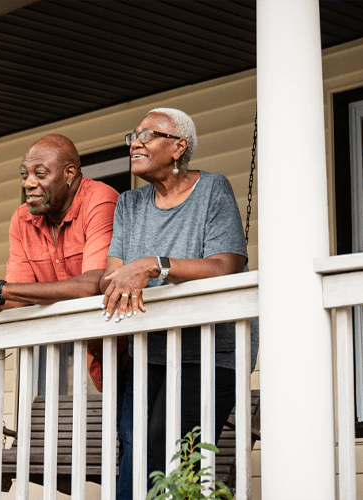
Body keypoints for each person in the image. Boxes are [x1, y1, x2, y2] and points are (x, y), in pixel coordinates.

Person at [100, 108, 259, 498]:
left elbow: (226, 265)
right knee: (139, 458)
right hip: (148, 349)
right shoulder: (129, 205)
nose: (135, 143)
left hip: (211, 351)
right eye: (133, 136)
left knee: (170, 453)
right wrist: (131, 274)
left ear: (178, 147)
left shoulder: (212, 189)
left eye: (147, 135)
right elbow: (114, 276)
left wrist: (156, 266)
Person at [0, 134, 119, 386]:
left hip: (138, 344)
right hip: (98, 358)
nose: (28, 183)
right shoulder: (22, 220)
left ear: (69, 174)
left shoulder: (99, 199)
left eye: (40, 174)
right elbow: (17, 300)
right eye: (24, 175)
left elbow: (92, 286)